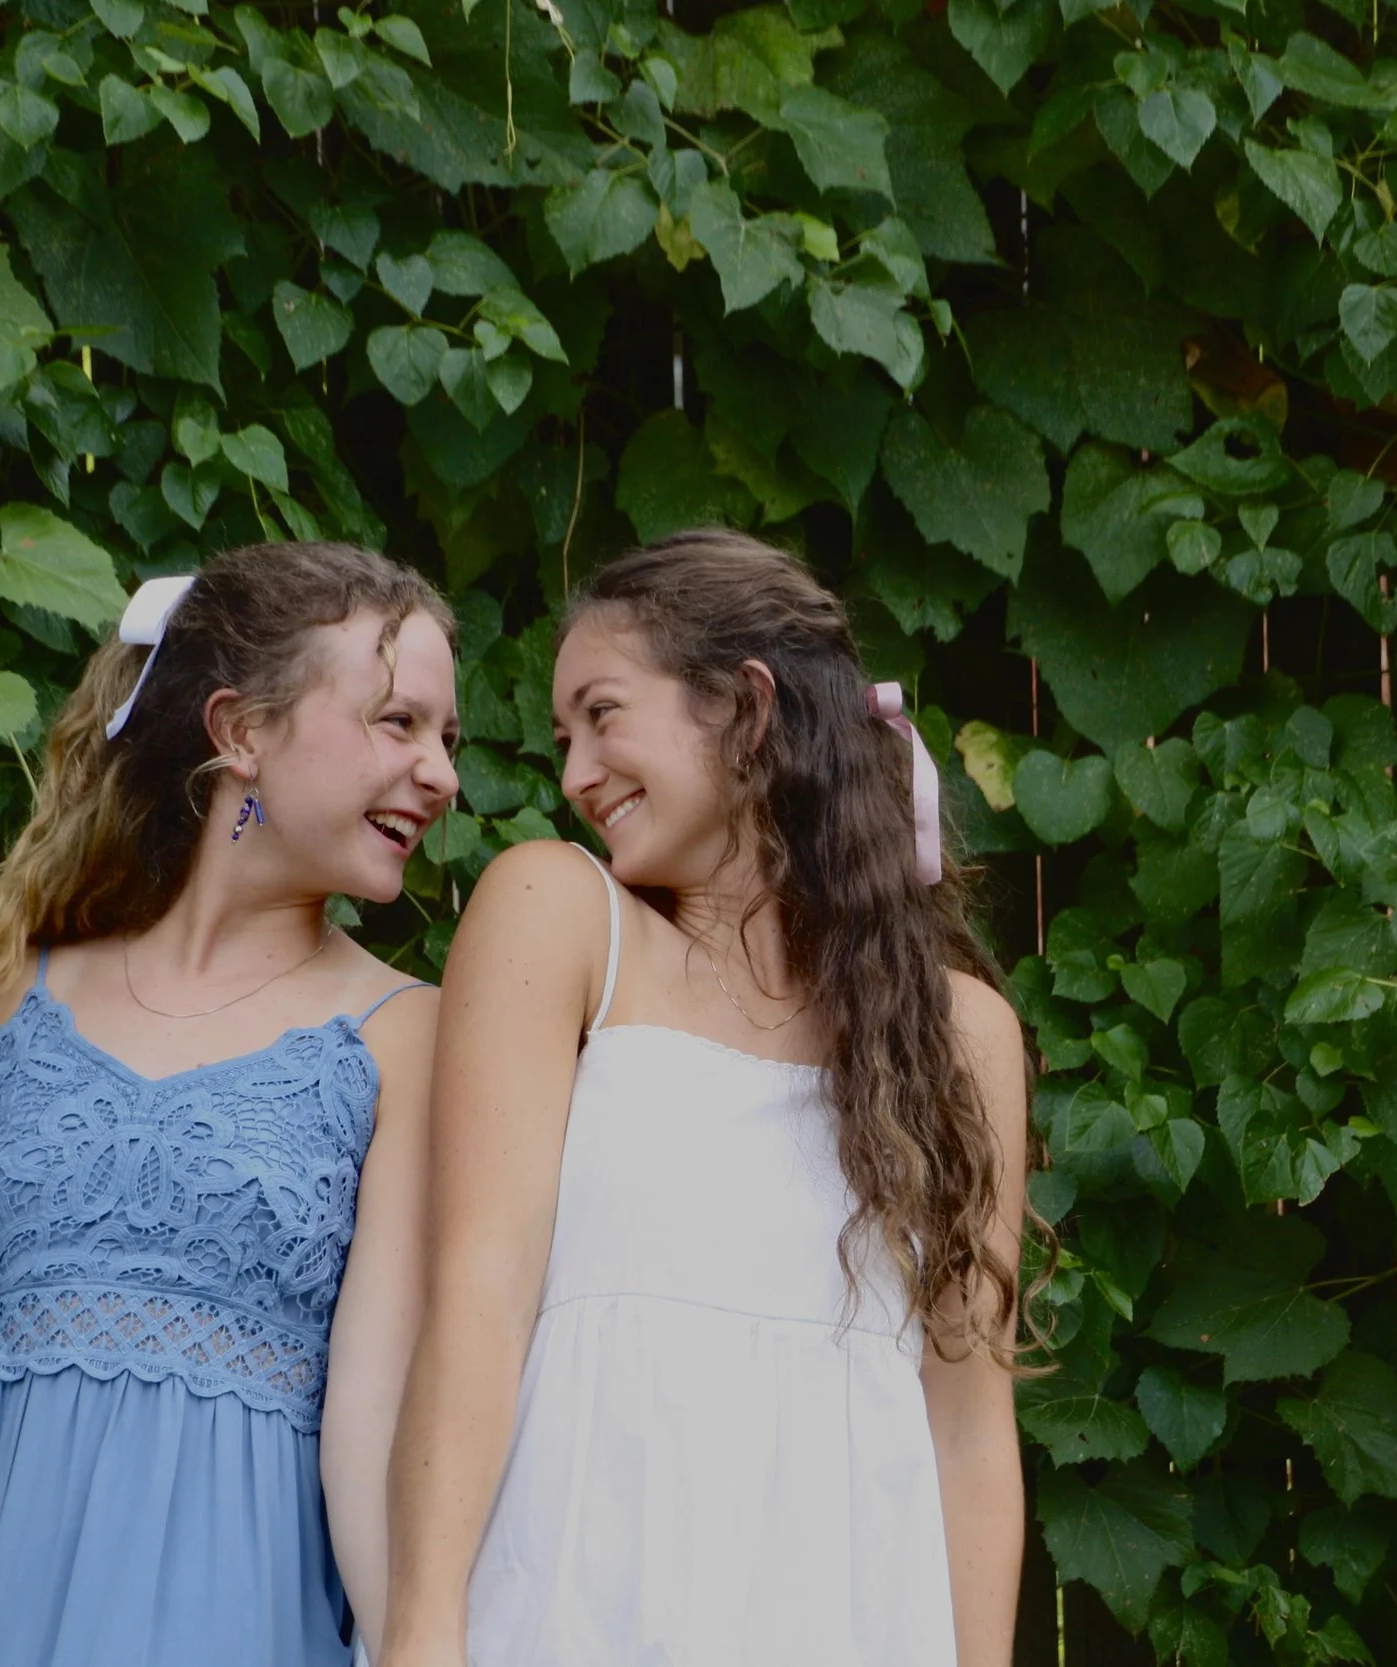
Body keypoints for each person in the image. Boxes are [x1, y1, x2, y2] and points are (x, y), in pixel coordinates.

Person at [0, 541, 460, 1667]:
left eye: (447, 739)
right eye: (399, 723)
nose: (440, 774)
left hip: (225, 1619)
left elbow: (369, 1420)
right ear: (241, 731)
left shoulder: (408, 1036)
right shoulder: (7, 997)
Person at [376, 530, 1033, 1667]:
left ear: (746, 707)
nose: (575, 775)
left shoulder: (958, 1034)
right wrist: (423, 1627)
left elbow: (968, 1428)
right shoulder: (561, 917)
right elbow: (478, 1291)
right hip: (580, 1609)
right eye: (564, 739)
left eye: (602, 714)